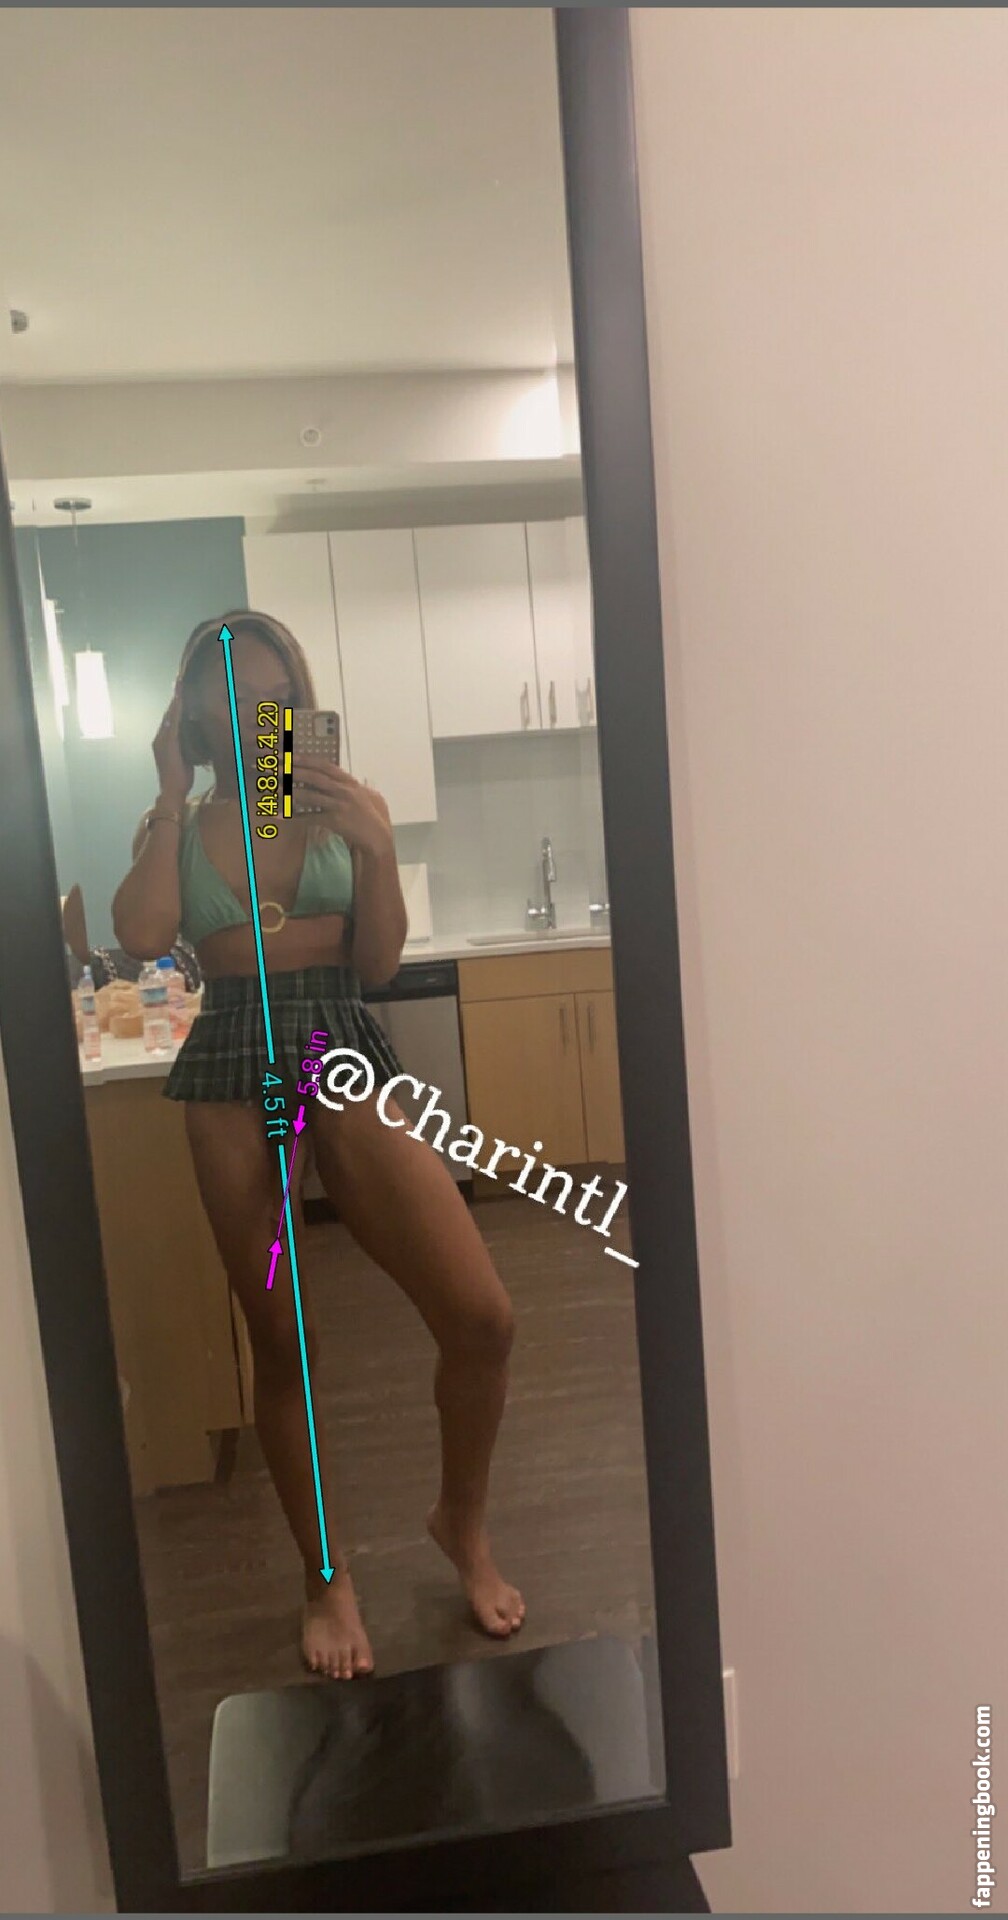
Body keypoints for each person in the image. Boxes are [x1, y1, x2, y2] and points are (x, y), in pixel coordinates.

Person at [111, 610, 524, 1681]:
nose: (256, 713)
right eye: (230, 696)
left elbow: (377, 963)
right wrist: (168, 792)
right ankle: (324, 1574)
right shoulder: (178, 823)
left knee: (481, 1318)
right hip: (230, 1068)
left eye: (274, 695)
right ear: (193, 714)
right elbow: (144, 935)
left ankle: (461, 1524)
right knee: (283, 1338)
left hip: (340, 1046)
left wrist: (377, 848)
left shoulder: (343, 808)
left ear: (299, 702)